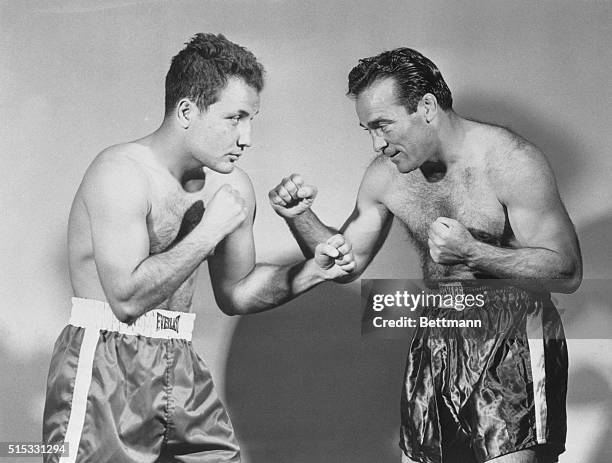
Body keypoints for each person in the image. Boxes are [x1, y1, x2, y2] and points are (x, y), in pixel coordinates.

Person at [42, 33, 355, 463]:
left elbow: (235, 294)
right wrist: (210, 230)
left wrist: (311, 272)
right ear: (188, 110)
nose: (246, 137)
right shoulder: (118, 173)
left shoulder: (231, 186)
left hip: (182, 361)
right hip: (107, 364)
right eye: (235, 118)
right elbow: (126, 300)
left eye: (252, 119)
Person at [269, 48, 582, 463]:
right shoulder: (386, 177)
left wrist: (474, 253)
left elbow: (567, 271)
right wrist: (300, 217)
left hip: (514, 336)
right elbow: (345, 262)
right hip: (436, 336)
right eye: (367, 130)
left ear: (427, 107)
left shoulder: (511, 162)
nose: (378, 143)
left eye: (383, 125)